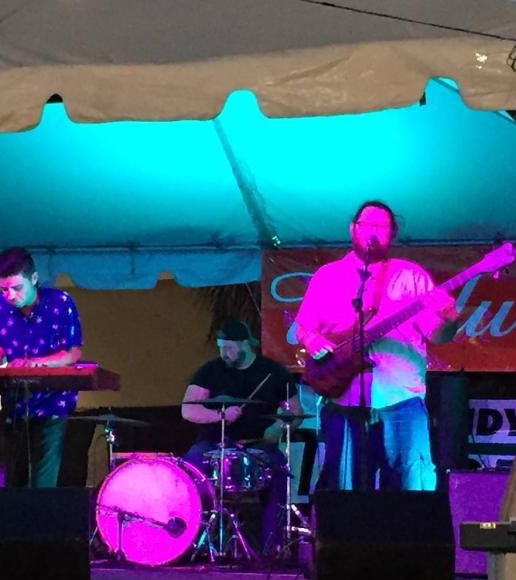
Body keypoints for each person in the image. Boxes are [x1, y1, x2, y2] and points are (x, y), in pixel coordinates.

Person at [294, 200, 459, 492]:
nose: (373, 232)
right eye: (367, 225)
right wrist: (312, 340)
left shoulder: (411, 276)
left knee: (411, 496)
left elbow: (438, 335)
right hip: (343, 402)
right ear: (352, 228)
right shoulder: (327, 277)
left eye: (381, 227)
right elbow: (303, 328)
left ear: (392, 234)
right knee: (346, 497)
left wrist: (449, 319)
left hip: (401, 400)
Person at [181, 319, 301, 555]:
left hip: (257, 444)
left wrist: (277, 428)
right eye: (220, 347)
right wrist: (220, 416)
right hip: (214, 443)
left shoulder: (274, 372)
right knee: (189, 469)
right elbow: (188, 410)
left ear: (245, 344)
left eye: (228, 347)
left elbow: (295, 412)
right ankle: (188, 540)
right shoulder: (210, 371)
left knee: (279, 474)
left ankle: (270, 549)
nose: (223, 353)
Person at [0, 247, 82, 488]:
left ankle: (41, 513)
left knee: (43, 483)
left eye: (16, 287)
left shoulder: (61, 302)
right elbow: (0, 347)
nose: (10, 295)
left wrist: (35, 363)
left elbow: (73, 353)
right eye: (4, 289)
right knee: (14, 481)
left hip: (53, 401)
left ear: (34, 278)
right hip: (15, 402)